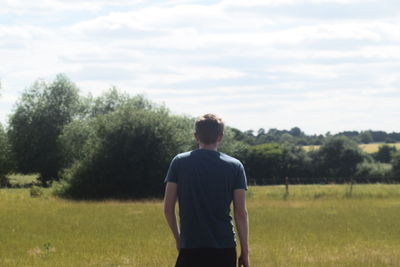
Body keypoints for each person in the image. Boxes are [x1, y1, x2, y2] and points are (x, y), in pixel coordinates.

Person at [164, 113, 250, 267]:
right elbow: (240, 213)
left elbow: (168, 209)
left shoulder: (179, 162)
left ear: (196, 136)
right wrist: (245, 251)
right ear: (221, 136)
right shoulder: (235, 166)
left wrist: (179, 241)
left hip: (190, 246)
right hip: (224, 247)